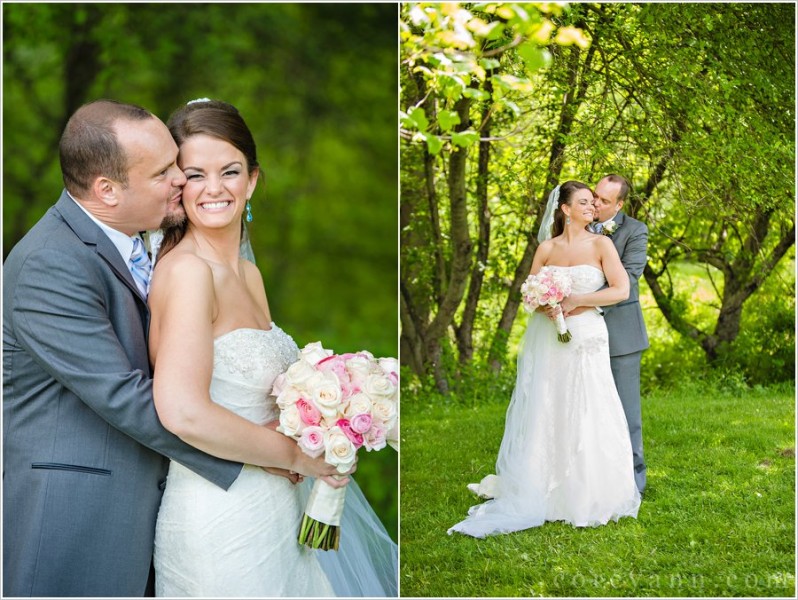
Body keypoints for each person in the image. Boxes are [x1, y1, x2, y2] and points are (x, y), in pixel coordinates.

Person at [148, 98, 397, 596]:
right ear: (177, 186)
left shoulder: (249, 275)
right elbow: (182, 412)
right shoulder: (189, 272)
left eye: (230, 171)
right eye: (195, 175)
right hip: (220, 518)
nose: (214, 189)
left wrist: (325, 419)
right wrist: (300, 455)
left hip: (278, 514)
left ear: (253, 180)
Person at [2, 100, 248, 597]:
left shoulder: (145, 245)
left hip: (152, 511)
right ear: (107, 190)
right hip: (74, 519)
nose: (182, 179)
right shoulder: (50, 264)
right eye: (163, 171)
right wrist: (255, 456)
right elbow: (126, 396)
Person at [448, 181, 640, 538]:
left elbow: (621, 289)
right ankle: (545, 485)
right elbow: (529, 292)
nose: (591, 207)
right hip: (551, 336)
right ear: (564, 209)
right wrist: (546, 304)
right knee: (548, 403)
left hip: (586, 335)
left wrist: (576, 300)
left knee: (587, 404)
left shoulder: (602, 244)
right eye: (583, 202)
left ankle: (586, 491)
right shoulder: (547, 248)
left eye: (593, 203)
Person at [589, 174, 649, 495]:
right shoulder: (579, 224)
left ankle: (634, 480)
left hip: (621, 335)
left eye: (604, 201)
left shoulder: (635, 230)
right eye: (595, 196)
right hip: (581, 336)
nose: (596, 204)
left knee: (627, 413)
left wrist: (585, 302)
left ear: (620, 205)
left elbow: (629, 278)